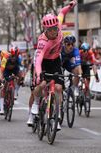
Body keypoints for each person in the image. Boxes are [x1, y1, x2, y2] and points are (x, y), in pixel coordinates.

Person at [31, 0, 77, 130]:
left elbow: (62, 12)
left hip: (56, 60)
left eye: (54, 29)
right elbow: (38, 59)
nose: (53, 32)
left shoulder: (59, 25)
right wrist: (39, 73)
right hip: (44, 62)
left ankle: (56, 114)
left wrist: (70, 5)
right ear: (45, 29)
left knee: (57, 88)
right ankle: (35, 103)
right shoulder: (43, 41)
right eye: (49, 30)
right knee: (41, 84)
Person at [0, 47, 23, 115]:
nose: (13, 58)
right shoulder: (6, 57)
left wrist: (21, 78)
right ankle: (1, 107)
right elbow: (2, 69)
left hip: (14, 69)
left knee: (20, 76)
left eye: (15, 57)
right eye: (12, 56)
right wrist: (1, 78)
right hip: (6, 69)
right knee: (3, 87)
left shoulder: (19, 58)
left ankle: (15, 91)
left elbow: (21, 68)